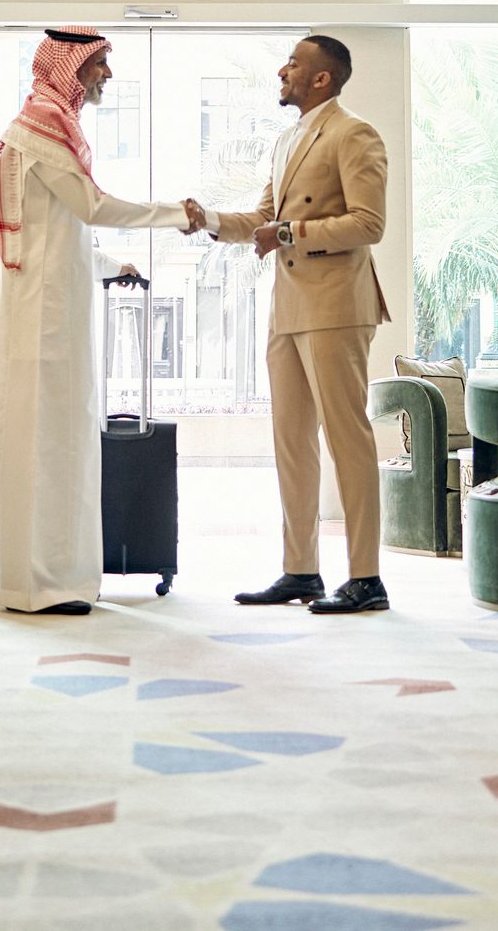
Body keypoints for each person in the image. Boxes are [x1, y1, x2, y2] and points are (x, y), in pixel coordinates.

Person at [0, 29, 197, 616]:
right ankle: (41, 584)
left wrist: (112, 265)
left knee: (58, 442)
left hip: (50, 306)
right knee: (47, 445)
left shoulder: (43, 127)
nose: (106, 75)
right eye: (99, 64)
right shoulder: (41, 128)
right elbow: (92, 206)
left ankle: (55, 577)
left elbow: (56, 227)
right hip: (44, 317)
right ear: (70, 67)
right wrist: (175, 214)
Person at [190, 35, 392, 614]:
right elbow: (263, 217)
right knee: (291, 442)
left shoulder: (354, 134)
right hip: (288, 308)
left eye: (295, 64)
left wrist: (288, 234)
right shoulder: (287, 139)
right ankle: (301, 570)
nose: (283, 70)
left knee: (347, 439)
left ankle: (366, 578)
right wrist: (209, 219)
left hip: (336, 307)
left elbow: (368, 223)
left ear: (322, 78)